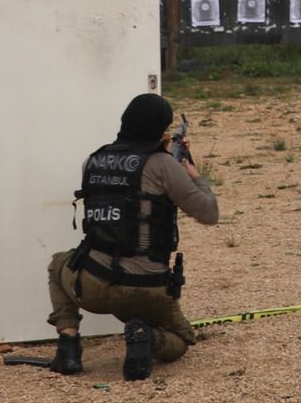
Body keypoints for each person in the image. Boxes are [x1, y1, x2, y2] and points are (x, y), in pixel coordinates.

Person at [46, 94, 219, 381]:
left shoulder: (92, 160)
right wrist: (193, 174)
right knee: (182, 338)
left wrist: (163, 155)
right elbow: (209, 213)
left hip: (92, 284)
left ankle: (68, 345)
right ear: (160, 128)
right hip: (146, 289)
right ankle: (148, 339)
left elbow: (131, 177)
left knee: (57, 265)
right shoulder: (164, 164)